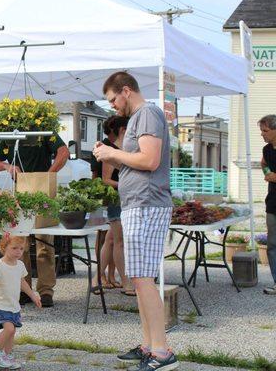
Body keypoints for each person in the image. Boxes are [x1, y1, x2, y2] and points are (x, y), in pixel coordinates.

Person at [93, 71, 178, 370]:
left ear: (126, 91)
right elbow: (138, 161)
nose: (113, 106)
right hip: (138, 205)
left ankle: (162, 353)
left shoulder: (147, 114)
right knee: (141, 280)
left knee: (143, 280)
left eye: (113, 99)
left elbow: (149, 160)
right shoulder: (141, 117)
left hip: (146, 204)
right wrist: (112, 157)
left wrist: (113, 152)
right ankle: (149, 346)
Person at [0, 132, 69, 307]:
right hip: (20, 193)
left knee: (44, 246)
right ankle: (24, 291)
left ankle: (46, 291)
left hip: (44, 193)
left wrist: (48, 175)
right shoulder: (9, 135)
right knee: (20, 246)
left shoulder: (43, 131)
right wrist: (7, 166)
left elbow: (64, 152)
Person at [0, 235, 42, 369]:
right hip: (0, 305)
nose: (18, 251)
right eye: (14, 248)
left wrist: (33, 295)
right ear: (4, 247)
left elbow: (22, 282)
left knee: (12, 332)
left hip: (14, 306)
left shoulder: (20, 265)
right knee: (9, 328)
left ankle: (6, 356)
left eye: (21, 249)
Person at [100, 115, 134, 296]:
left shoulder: (130, 149)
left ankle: (99, 276)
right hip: (117, 200)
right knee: (118, 241)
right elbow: (105, 180)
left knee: (112, 240)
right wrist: (129, 184)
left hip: (130, 200)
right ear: (122, 130)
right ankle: (126, 282)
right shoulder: (111, 150)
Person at [259, 114, 276, 295]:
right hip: (272, 203)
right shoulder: (266, 150)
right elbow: (263, 164)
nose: (262, 134)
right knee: (272, 245)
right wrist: (267, 171)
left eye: (265, 131)